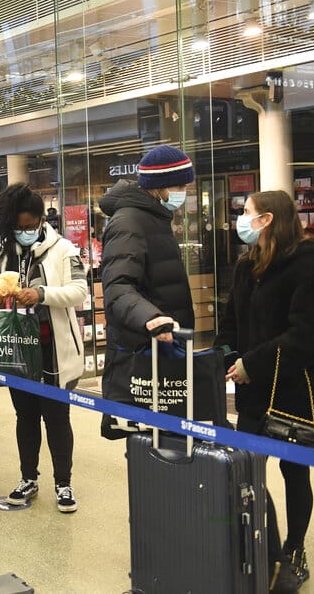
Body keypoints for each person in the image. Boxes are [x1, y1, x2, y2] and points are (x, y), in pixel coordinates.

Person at [216, 191, 314, 592]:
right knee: (248, 468)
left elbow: (310, 334)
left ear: (268, 218)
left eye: (247, 213)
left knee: (294, 470)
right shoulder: (247, 264)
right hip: (254, 389)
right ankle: (261, 547)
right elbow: (232, 317)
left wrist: (253, 363)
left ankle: (295, 548)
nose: (241, 219)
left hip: (296, 389)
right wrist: (228, 356)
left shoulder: (310, 263)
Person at [0, 184, 87, 512]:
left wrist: (42, 295)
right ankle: (29, 477)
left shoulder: (64, 250)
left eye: (30, 227)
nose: (24, 232)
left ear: (42, 220)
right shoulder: (1, 252)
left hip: (52, 347)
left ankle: (63, 482)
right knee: (24, 415)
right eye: (18, 227)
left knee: (57, 417)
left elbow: (79, 291)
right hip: (17, 347)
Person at [98, 144, 196, 439]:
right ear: (161, 187)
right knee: (148, 446)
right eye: (180, 185)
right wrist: (150, 317)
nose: (184, 193)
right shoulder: (130, 222)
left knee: (168, 445)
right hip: (145, 349)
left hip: (164, 347)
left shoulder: (154, 217)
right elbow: (117, 287)